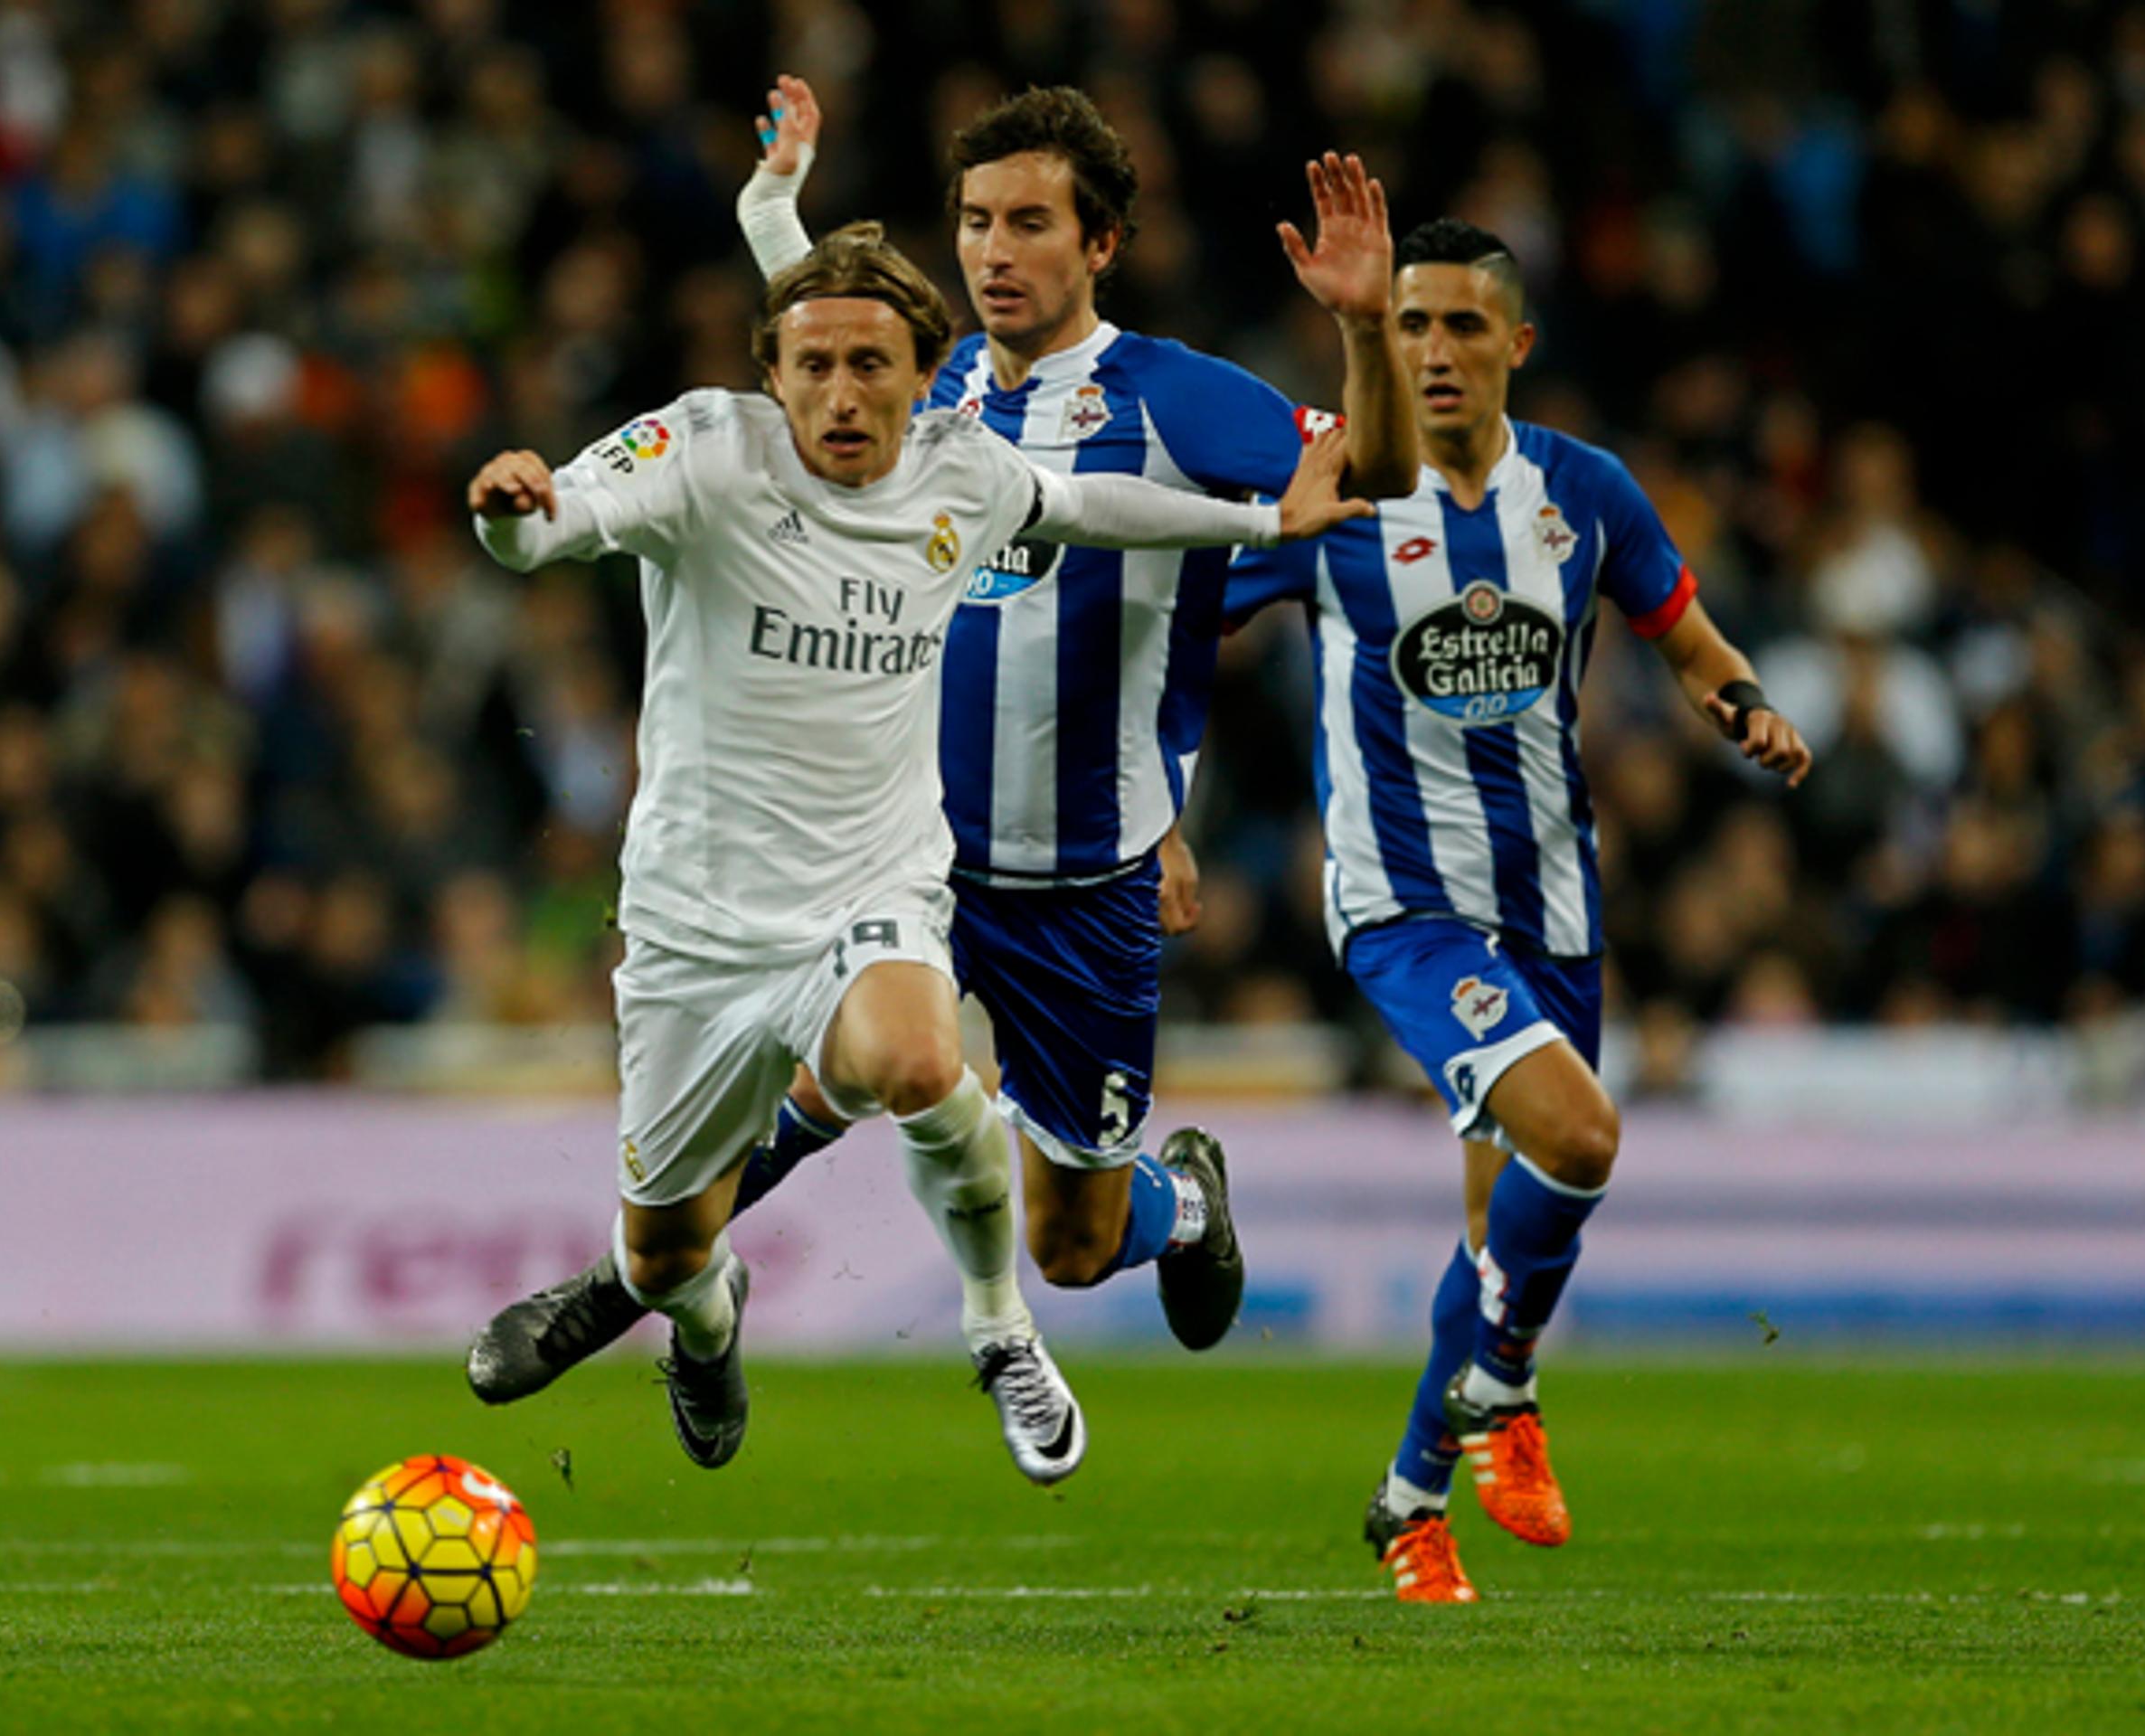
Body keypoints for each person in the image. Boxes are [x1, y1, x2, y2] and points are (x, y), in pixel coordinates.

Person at [466, 77, 1415, 1405]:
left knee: (1072, 1245)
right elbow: (821, 326)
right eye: (974, 221)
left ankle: (1183, 1202)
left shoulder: (1177, 401)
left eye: (1029, 224)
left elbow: (1370, 476)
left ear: (1100, 243)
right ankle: (640, 1283)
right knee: (821, 1083)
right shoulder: (930, 378)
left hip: (1080, 869)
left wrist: (1364, 328)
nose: (991, 252)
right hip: (903, 854)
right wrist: (772, 205)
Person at [1224, 219, 1812, 1600]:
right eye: (1409, 325)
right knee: (1581, 1135)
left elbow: (1686, 639)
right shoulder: (1338, 495)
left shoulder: (1583, 491)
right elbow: (1180, 632)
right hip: (1405, 909)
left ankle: (1409, 1499)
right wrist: (1153, 797)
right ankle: (1501, 1388)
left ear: (1516, 343)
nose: (1432, 350)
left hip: (1553, 908)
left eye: (1459, 326)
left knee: (1504, 1230)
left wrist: (1744, 704)